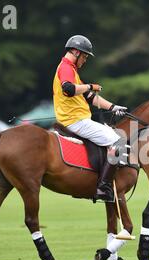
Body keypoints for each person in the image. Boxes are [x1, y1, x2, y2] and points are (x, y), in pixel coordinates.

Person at [53, 35, 127, 202]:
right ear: (76, 52)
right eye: (85, 56)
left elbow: (89, 96)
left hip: (77, 119)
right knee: (118, 141)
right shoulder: (65, 67)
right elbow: (69, 89)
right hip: (75, 120)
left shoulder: (72, 71)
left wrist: (113, 107)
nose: (85, 60)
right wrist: (90, 85)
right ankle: (103, 187)